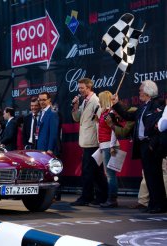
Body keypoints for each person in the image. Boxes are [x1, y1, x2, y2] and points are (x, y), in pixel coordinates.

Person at [112, 80, 166, 213]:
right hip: (143, 146)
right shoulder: (142, 107)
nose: (139, 92)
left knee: (155, 176)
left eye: (141, 90)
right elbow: (128, 116)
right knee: (148, 176)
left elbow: (158, 126)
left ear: (148, 92)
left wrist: (153, 145)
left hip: (152, 145)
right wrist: (116, 104)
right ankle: (152, 204)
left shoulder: (157, 104)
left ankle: (160, 205)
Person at [70, 78, 108, 206]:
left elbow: (99, 122)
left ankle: (88, 197)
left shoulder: (95, 101)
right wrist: (75, 106)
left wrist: (100, 142)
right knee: (95, 171)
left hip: (93, 142)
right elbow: (77, 118)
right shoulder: (84, 101)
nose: (80, 90)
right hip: (86, 141)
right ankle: (99, 196)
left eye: (82, 88)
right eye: (79, 88)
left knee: (89, 171)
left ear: (89, 87)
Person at [97, 91, 120, 208]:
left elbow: (114, 130)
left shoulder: (111, 112)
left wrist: (112, 146)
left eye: (100, 98)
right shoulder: (104, 112)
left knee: (111, 174)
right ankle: (111, 198)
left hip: (109, 145)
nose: (98, 101)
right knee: (109, 174)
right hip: (104, 145)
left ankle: (112, 199)